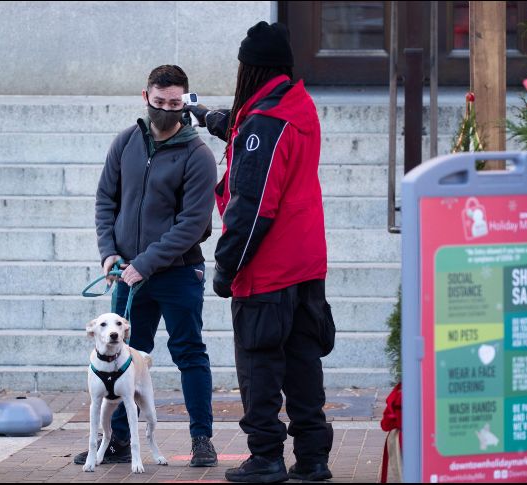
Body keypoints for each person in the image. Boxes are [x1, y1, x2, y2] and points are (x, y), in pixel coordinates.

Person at [187, 22, 336, 483]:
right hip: (306, 264)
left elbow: (253, 205)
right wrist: (209, 117)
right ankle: (312, 457)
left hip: (268, 269)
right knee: (303, 364)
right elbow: (248, 130)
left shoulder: (265, 125)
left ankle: (266, 456)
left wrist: (226, 266)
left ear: (251, 69)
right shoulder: (296, 106)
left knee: (260, 366)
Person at [74, 65, 219, 468]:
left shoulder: (198, 155)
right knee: (123, 357)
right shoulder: (126, 142)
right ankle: (117, 439)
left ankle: (202, 438)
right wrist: (109, 252)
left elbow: (192, 224)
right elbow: (105, 200)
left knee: (189, 352)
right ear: (145, 97)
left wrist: (146, 263)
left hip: (178, 272)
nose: (166, 110)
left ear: (184, 102)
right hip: (127, 272)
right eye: (159, 102)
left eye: (174, 104)